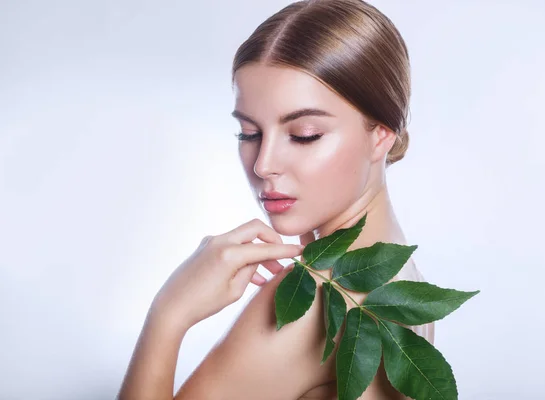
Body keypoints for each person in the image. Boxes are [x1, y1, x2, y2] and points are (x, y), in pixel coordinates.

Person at [118, 0, 434, 399]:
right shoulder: (399, 268)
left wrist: (167, 315)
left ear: (381, 134)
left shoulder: (310, 302)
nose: (263, 164)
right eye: (249, 134)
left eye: (304, 134)